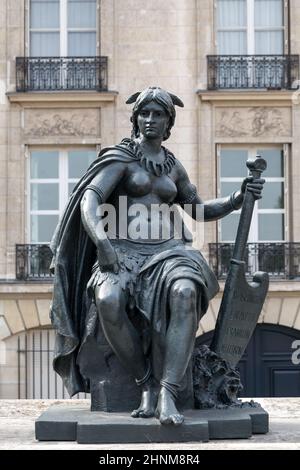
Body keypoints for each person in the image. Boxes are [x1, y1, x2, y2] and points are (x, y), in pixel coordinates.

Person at [50, 87, 264, 425]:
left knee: (185, 292)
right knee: (108, 299)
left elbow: (198, 209)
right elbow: (89, 201)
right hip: (120, 249)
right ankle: (145, 381)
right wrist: (103, 244)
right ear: (135, 120)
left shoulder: (173, 167)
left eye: (158, 114)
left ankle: (168, 390)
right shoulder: (120, 158)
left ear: (168, 122)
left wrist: (236, 198)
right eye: (145, 113)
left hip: (169, 252)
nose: (150, 119)